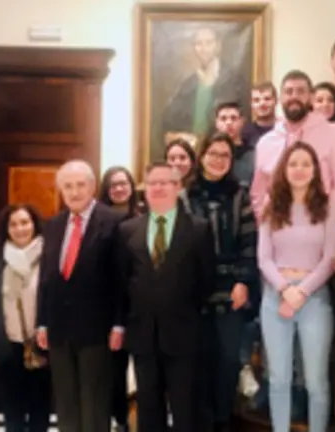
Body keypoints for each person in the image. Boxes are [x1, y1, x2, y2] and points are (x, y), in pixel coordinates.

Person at [116, 162, 216, 432]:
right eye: (152, 183)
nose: (158, 188)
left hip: (184, 333)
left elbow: (206, 282)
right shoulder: (128, 230)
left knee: (185, 409)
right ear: (145, 189)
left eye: (165, 182)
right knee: (148, 408)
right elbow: (123, 282)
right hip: (143, 334)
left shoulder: (198, 229)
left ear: (177, 187)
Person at [35, 160, 125, 432]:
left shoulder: (115, 222)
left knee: (94, 402)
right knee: (66, 401)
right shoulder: (54, 224)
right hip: (59, 329)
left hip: (98, 329)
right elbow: (46, 277)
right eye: (68, 186)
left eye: (80, 185)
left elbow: (122, 279)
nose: (74, 192)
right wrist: (42, 321)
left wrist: (119, 324)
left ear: (93, 186)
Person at [258, 142, 335, 432]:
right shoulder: (272, 207)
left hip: (314, 298)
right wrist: (285, 289)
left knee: (316, 380)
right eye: (293, 164)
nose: (299, 169)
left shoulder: (328, 208)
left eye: (306, 164)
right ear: (284, 169)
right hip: (276, 296)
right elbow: (264, 258)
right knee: (279, 378)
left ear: (315, 170)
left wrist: (302, 291)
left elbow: (330, 259)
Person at [187, 133, 259, 431]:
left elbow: (249, 241)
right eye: (213, 154)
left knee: (228, 360)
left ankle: (222, 421)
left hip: (231, 288)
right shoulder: (186, 195)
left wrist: (243, 281)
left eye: (225, 156)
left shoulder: (240, 194)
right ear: (202, 156)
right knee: (200, 360)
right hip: (194, 288)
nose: (218, 160)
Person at [250, 70, 335, 219]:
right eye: (289, 92)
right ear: (280, 98)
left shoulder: (333, 135)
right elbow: (259, 191)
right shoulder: (266, 143)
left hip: (320, 221)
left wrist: (326, 219)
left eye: (300, 91)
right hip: (278, 224)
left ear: (311, 97)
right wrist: (264, 221)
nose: (294, 96)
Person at [0, 204, 51, 432]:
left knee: (40, 406)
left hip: (42, 343)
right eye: (13, 224)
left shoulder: (48, 258)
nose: (20, 228)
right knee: (12, 407)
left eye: (24, 222)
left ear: (34, 225)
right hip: (8, 344)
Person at [98, 166, 141, 431]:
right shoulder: (99, 222)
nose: (119, 189)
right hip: (110, 304)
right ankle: (120, 419)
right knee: (115, 369)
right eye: (113, 185)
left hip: (139, 303)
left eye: (123, 183)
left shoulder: (144, 217)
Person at [213, 101, 255, 186]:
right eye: (223, 119)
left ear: (242, 122)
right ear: (216, 123)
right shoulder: (209, 152)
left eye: (233, 118)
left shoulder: (252, 154)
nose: (229, 123)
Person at [165, 138, 197, 212]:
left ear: (192, 162)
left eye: (182, 158)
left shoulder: (200, 189)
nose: (177, 163)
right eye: (172, 159)